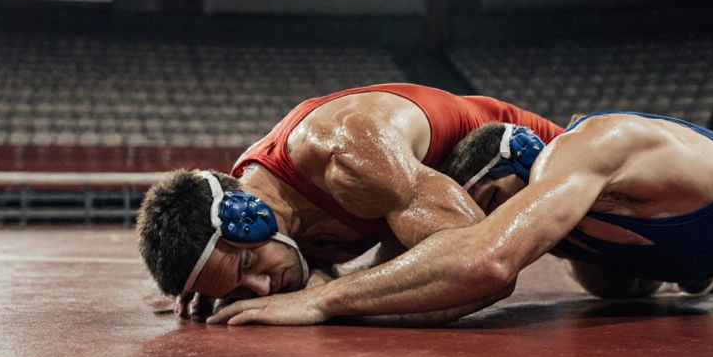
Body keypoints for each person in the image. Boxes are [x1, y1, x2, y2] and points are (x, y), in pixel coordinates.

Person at [208, 112, 713, 325]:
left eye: (495, 207)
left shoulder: (587, 153)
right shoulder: (563, 212)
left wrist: (323, 299)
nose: (488, 223)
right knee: (614, 285)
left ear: (520, 175)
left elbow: (481, 262)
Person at [137, 84, 563, 321]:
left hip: (540, 162)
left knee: (621, 278)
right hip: (459, 197)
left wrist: (325, 299)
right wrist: (220, 283)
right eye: (239, 288)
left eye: (249, 268)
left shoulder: (346, 152)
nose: (264, 289)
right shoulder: (262, 201)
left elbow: (485, 266)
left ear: (247, 215)